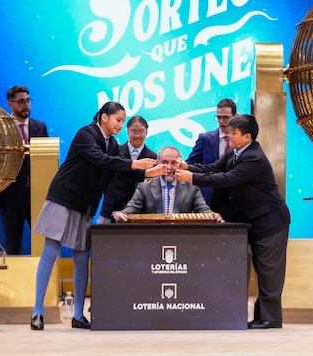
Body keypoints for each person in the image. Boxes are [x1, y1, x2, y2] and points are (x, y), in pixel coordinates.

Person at [30, 102, 164, 331]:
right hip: (64, 198)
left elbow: (116, 169)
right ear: (104, 117)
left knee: (82, 256)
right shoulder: (86, 134)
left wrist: (146, 172)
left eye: (123, 121)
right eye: (118, 120)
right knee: (51, 250)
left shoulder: (112, 143)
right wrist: (135, 164)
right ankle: (37, 312)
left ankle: (79, 314)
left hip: (86, 204)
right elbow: (100, 160)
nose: (121, 125)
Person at [175, 114, 290, 329]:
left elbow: (228, 179)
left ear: (247, 137)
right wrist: (188, 167)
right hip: (256, 220)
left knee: (269, 272)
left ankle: (271, 319)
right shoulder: (235, 153)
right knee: (262, 269)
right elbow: (213, 168)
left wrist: (191, 179)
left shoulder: (253, 157)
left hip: (271, 221)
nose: (229, 137)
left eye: (234, 133)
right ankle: (262, 317)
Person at [0, 85, 49, 255]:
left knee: (44, 245)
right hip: (10, 198)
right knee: (13, 248)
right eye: (21, 102)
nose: (26, 105)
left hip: (37, 197)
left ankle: (44, 281)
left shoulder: (40, 127)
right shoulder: (0, 129)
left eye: (28, 101)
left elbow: (46, 161)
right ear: (10, 105)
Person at [112, 146, 222, 223]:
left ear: (180, 164)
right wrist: (121, 214)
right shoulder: (145, 186)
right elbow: (131, 209)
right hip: (152, 238)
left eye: (174, 163)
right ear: (157, 163)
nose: (169, 167)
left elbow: (204, 210)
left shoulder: (191, 186)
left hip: (182, 238)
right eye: (164, 163)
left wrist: (213, 216)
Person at [97, 116, 157, 224]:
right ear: (127, 131)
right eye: (133, 131)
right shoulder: (114, 151)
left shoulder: (153, 158)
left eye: (141, 131)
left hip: (140, 213)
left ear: (147, 132)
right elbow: (104, 179)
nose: (137, 135)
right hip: (111, 209)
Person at [186, 98, 237, 211]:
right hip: (209, 197)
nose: (221, 121)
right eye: (218, 117)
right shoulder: (205, 139)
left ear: (235, 116)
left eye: (225, 117)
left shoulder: (241, 141)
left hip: (235, 198)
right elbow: (190, 164)